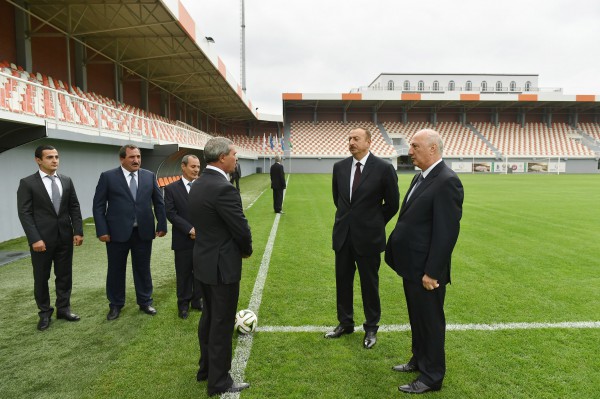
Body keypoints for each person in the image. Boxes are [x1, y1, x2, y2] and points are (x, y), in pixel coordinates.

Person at [384, 129, 464, 394]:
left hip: (427, 272)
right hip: (411, 266)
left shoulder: (446, 181)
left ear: (433, 149)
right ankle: (418, 359)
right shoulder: (422, 176)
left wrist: (432, 272)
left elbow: (446, 233)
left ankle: (432, 376)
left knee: (430, 321)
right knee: (417, 318)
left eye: (415, 146)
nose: (410, 151)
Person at [189, 137, 253, 397]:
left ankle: (205, 369)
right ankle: (219, 382)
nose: (236, 158)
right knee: (222, 323)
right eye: (234, 153)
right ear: (222, 157)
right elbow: (240, 227)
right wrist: (246, 250)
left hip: (203, 263)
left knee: (208, 318)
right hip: (221, 266)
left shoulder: (199, 183)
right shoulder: (223, 188)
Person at [326, 127, 399, 349]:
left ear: (369, 142)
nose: (351, 142)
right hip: (343, 236)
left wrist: (373, 223)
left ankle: (371, 328)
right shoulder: (339, 167)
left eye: (356, 138)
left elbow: (393, 204)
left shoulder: (384, 168)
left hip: (368, 238)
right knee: (343, 282)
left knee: (369, 284)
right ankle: (345, 323)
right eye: (349, 138)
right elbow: (338, 200)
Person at [92, 144, 167, 321]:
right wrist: (102, 230)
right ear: (122, 159)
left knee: (143, 268)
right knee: (116, 270)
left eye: (138, 156)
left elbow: (159, 202)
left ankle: (145, 301)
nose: (136, 160)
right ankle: (116, 305)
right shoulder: (108, 177)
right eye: (132, 157)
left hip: (143, 232)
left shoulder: (149, 176)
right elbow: (98, 206)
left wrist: (162, 224)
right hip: (116, 233)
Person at [17, 145, 84, 331]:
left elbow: (74, 207)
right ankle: (44, 313)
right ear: (38, 160)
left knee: (64, 276)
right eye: (49, 157)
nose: (54, 160)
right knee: (41, 278)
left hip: (64, 237)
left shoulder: (66, 180)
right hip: (41, 241)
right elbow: (25, 213)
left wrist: (78, 231)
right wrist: (34, 239)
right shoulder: (28, 183)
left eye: (56, 156)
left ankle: (63, 309)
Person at [164, 154, 203, 319]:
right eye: (193, 166)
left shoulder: (203, 186)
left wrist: (202, 230)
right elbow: (171, 214)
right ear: (183, 166)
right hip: (183, 239)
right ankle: (183, 305)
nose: (196, 170)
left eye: (198, 167)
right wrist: (190, 229)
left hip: (202, 239)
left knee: (200, 272)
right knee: (183, 273)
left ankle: (197, 300)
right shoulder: (171, 188)